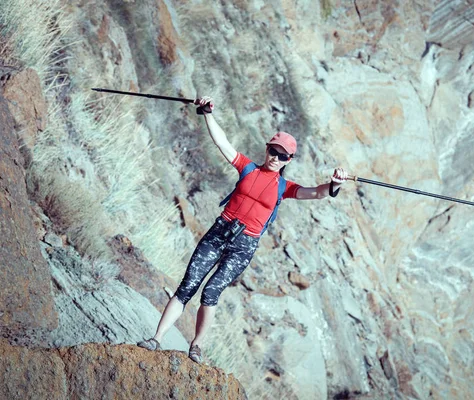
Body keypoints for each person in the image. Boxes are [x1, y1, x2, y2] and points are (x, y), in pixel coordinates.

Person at [138, 96, 348, 363]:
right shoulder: (247, 168)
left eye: (282, 155)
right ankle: (156, 339)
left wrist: (336, 184)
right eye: (273, 151)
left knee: (211, 291)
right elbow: (222, 142)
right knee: (187, 286)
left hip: (243, 246)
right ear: (267, 149)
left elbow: (318, 193)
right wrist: (207, 113)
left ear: (289, 160)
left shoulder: (285, 188)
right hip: (219, 233)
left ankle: (196, 346)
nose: (275, 157)